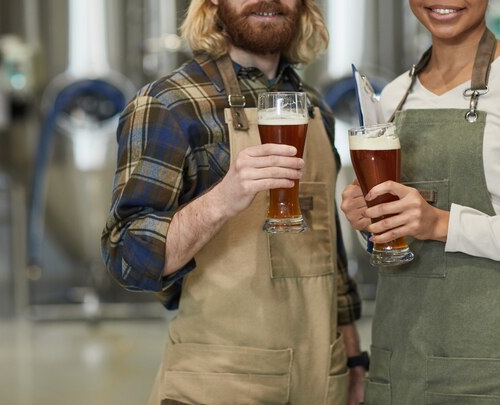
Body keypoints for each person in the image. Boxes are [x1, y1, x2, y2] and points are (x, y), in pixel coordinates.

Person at [101, 0, 366, 404]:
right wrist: (224, 199)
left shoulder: (314, 109)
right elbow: (127, 258)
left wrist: (353, 363)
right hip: (218, 384)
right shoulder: (169, 104)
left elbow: (331, 257)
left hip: (320, 382)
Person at [341, 1, 500, 404]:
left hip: (499, 373)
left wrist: (441, 224)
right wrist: (368, 223)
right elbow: (392, 243)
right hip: (404, 369)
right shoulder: (392, 98)